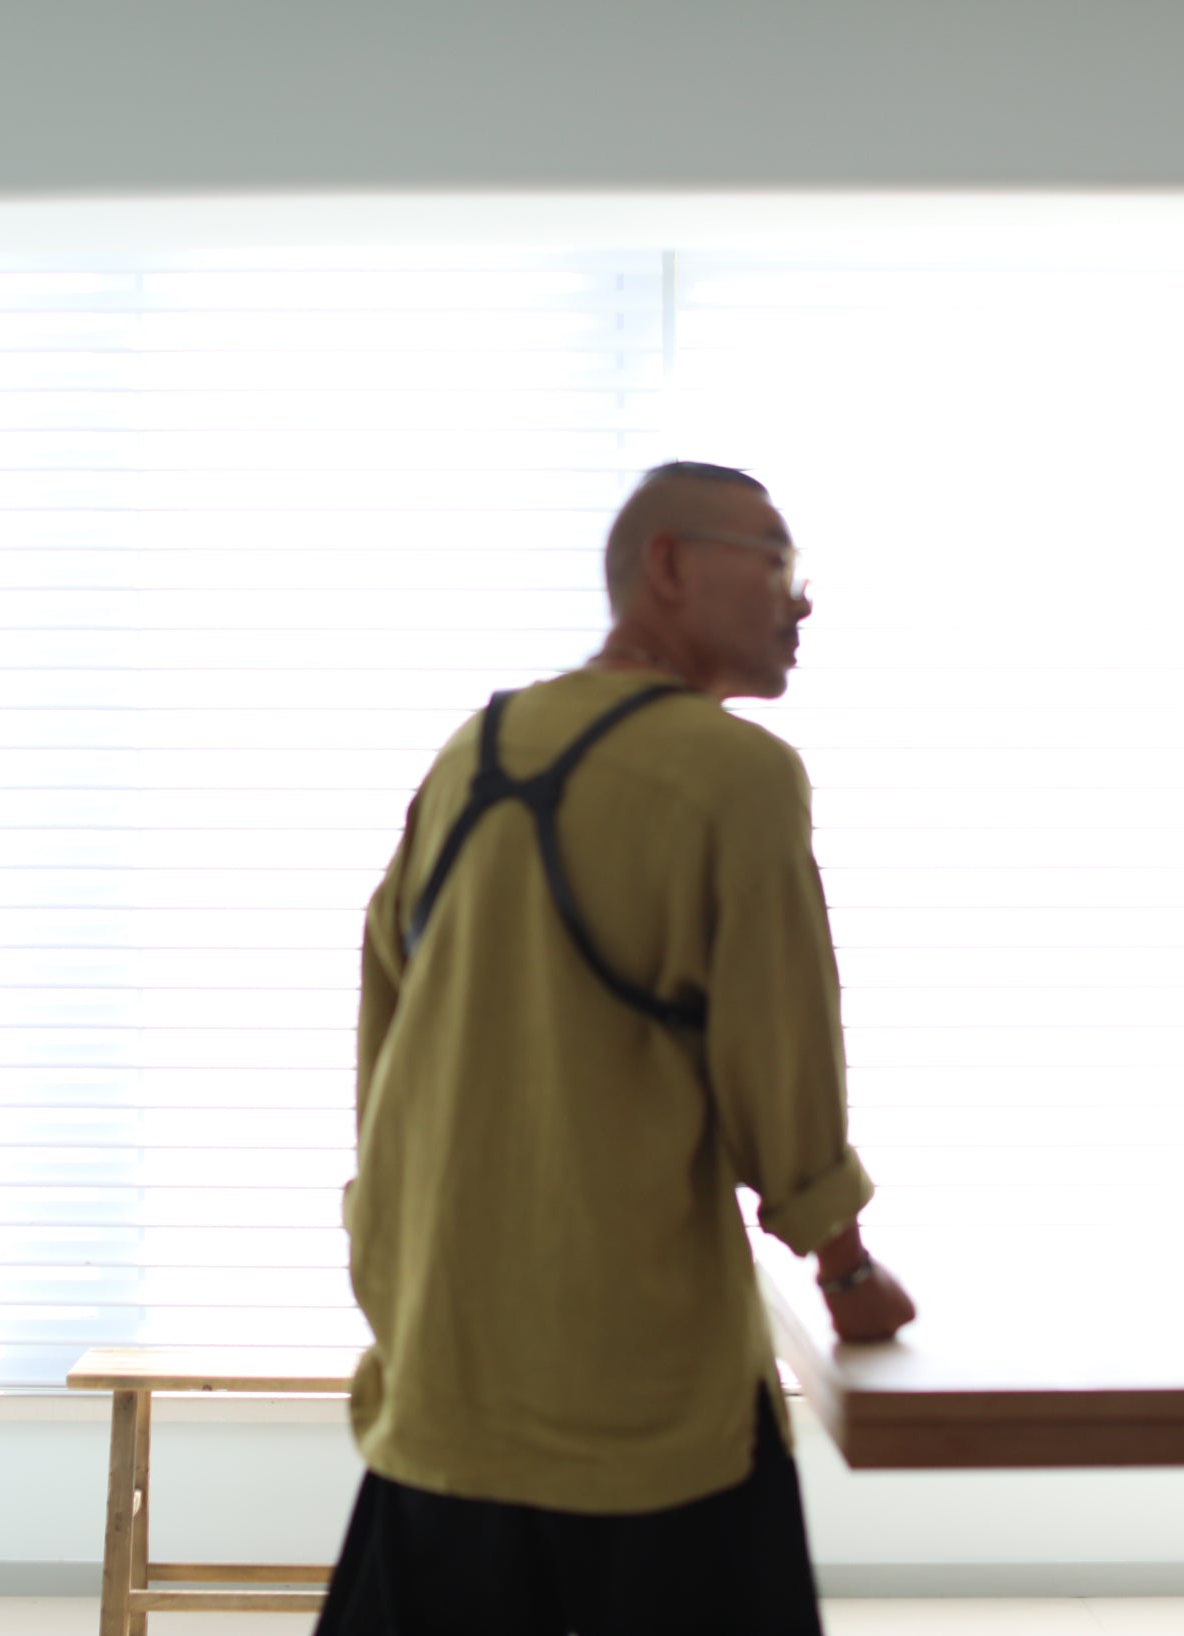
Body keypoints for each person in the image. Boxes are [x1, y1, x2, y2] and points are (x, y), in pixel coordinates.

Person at [318, 461, 915, 1636]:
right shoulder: (737, 775)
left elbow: (385, 1019)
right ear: (667, 565)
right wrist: (844, 1272)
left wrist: (387, 1260)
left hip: (445, 1380)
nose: (800, 600)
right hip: (643, 1407)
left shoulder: (474, 750)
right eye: (777, 561)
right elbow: (782, 1070)